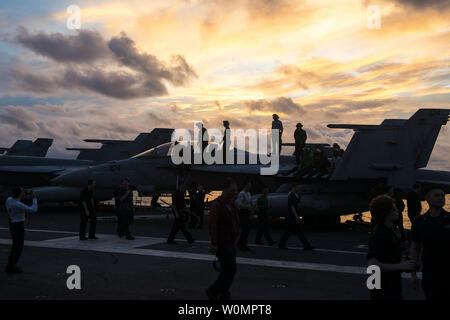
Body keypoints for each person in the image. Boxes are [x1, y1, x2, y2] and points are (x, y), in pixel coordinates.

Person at [367, 196, 416, 300]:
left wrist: (404, 263)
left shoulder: (389, 231)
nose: (397, 210)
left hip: (391, 285)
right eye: (393, 209)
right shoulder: (379, 234)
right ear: (385, 213)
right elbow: (373, 265)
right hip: (383, 288)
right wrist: (401, 266)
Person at [410, 186, 450, 300]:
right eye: (436, 195)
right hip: (430, 273)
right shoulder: (419, 221)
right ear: (427, 198)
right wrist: (413, 275)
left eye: (443, 195)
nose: (441, 198)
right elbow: (415, 247)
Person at [206, 178, 239, 300]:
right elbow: (212, 224)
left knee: (228, 270)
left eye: (235, 190)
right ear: (224, 190)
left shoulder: (230, 204)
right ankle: (213, 290)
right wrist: (214, 243)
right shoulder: (217, 205)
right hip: (222, 242)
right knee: (230, 269)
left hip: (230, 242)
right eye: (232, 190)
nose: (234, 192)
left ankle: (223, 292)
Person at [5, 187, 38, 274]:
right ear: (20, 194)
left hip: (12, 222)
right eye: (22, 191)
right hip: (18, 225)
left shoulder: (9, 200)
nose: (24, 192)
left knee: (15, 245)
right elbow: (33, 209)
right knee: (18, 247)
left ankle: (10, 265)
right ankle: (12, 266)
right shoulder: (17, 204)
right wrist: (34, 198)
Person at [278, 184, 314, 250]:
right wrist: (296, 216)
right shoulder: (291, 195)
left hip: (293, 216)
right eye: (297, 187)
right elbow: (292, 206)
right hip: (293, 216)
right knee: (293, 232)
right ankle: (306, 246)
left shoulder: (294, 195)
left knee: (292, 232)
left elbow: (296, 203)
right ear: (293, 187)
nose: (298, 188)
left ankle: (281, 244)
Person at [167, 181, 195, 245]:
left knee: (176, 227)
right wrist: (176, 213)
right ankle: (190, 239)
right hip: (177, 212)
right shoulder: (175, 193)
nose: (184, 187)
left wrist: (187, 210)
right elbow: (174, 205)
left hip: (181, 211)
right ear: (180, 185)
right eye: (183, 186)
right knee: (182, 227)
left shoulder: (181, 193)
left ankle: (170, 239)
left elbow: (183, 204)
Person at [235, 182, 254, 251]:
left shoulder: (248, 193)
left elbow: (250, 202)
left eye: (250, 186)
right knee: (245, 229)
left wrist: (252, 207)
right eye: (248, 186)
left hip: (247, 212)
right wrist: (248, 207)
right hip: (243, 212)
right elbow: (239, 205)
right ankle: (242, 244)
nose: (249, 187)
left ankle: (240, 243)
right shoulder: (241, 194)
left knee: (247, 229)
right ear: (245, 186)